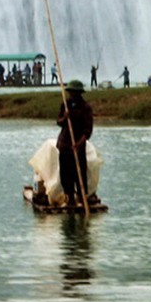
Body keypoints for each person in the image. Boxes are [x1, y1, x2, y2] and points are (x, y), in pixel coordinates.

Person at [56, 79, 94, 207]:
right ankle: (70, 197)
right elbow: (59, 122)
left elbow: (88, 130)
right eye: (70, 92)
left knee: (79, 172)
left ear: (79, 93)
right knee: (66, 172)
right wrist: (65, 117)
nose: (71, 95)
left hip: (78, 145)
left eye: (74, 92)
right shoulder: (65, 105)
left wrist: (79, 143)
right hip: (65, 143)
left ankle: (82, 197)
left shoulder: (85, 108)